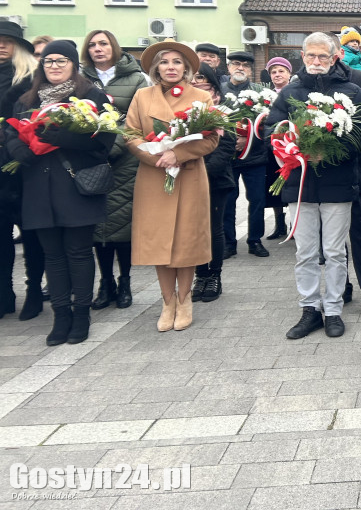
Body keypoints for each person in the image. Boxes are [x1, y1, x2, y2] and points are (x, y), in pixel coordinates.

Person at [2, 40, 116, 345]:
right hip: (37, 187)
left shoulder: (91, 96)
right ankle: (61, 315)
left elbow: (104, 142)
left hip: (75, 185)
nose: (54, 66)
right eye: (49, 61)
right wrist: (16, 148)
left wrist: (63, 137)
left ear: (73, 65)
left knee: (78, 253)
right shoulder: (27, 98)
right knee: (52, 255)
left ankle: (81, 314)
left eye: (61, 61)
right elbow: (11, 131)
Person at [265, 32, 361, 339]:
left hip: (338, 184)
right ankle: (310, 308)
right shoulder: (290, 92)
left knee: (336, 251)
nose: (316, 62)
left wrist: (332, 150)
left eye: (322, 57)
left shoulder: (352, 91)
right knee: (306, 252)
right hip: (299, 184)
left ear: (333, 58)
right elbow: (271, 128)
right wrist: (292, 146)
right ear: (302, 56)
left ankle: (334, 309)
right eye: (310, 56)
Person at [125, 41, 219, 332]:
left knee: (185, 240)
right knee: (159, 240)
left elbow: (211, 138)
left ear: (187, 68)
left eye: (177, 62)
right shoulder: (142, 96)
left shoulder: (201, 97)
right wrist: (155, 154)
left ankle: (185, 298)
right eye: (165, 62)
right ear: (156, 68)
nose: (171, 67)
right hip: (154, 177)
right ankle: (167, 302)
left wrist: (177, 154)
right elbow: (130, 133)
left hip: (189, 176)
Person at [80, 30, 148, 310]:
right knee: (98, 227)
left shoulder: (136, 78)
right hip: (90, 159)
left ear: (115, 47)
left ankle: (125, 281)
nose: (98, 49)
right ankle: (105, 282)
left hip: (125, 160)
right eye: (93, 45)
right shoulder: (81, 78)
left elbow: (137, 119)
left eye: (103, 44)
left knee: (123, 225)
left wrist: (112, 146)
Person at [0, 21, 45, 320]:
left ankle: (33, 292)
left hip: (22, 161)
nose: (1, 45)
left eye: (7, 41)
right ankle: (4, 293)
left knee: (32, 232)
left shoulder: (29, 80)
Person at [190, 63, 236, 303]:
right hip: (187, 178)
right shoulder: (184, 106)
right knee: (196, 229)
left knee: (213, 228)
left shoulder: (222, 108)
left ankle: (214, 276)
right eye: (193, 77)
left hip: (215, 178)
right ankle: (200, 276)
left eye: (201, 77)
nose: (197, 81)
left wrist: (203, 172)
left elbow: (226, 145)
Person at [223, 50, 270, 258]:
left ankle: (255, 240)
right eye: (235, 64)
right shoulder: (220, 91)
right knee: (228, 200)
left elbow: (268, 124)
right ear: (228, 68)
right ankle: (228, 242)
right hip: (227, 157)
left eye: (245, 65)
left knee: (258, 199)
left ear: (251, 70)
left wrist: (250, 136)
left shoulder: (261, 93)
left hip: (255, 156)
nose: (240, 67)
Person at [264, 57, 293, 240]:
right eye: (273, 72)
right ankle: (279, 224)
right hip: (272, 148)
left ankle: (293, 224)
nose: (277, 75)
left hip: (291, 148)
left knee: (291, 186)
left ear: (289, 74)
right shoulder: (264, 96)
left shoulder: (295, 92)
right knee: (274, 186)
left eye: (281, 71)